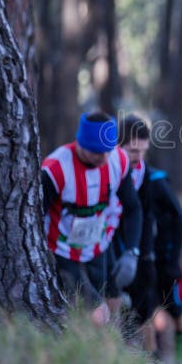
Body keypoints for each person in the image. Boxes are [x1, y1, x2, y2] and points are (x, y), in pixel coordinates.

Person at [41, 111, 142, 326]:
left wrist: (132, 251)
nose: (104, 158)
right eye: (96, 152)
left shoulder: (118, 159)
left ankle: (112, 345)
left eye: (107, 151)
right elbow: (34, 217)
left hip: (98, 243)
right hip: (62, 249)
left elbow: (133, 208)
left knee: (113, 296)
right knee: (96, 312)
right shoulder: (56, 168)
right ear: (81, 143)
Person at [117, 113, 182, 363]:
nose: (137, 157)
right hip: (123, 249)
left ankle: (181, 331)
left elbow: (178, 217)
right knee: (137, 304)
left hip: (155, 251)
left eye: (142, 150)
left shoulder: (154, 180)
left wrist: (172, 253)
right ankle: (147, 356)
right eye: (131, 151)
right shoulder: (111, 174)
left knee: (169, 298)